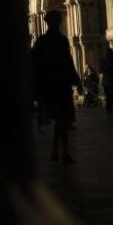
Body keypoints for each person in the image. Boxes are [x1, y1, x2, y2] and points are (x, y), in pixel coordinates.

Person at [31, 10, 82, 164]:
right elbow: (68, 64)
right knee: (63, 120)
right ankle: (62, 152)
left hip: (54, 87)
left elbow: (33, 63)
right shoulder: (59, 41)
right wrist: (76, 81)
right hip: (58, 86)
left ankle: (57, 151)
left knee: (61, 120)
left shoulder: (43, 41)